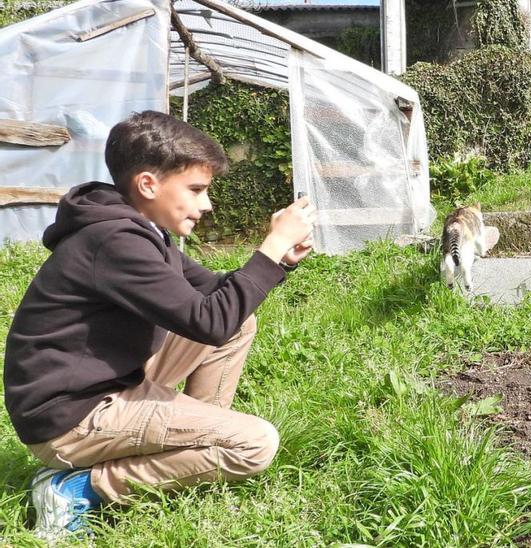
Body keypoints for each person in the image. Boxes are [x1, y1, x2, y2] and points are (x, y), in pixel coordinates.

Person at [3, 111, 316, 540]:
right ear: (148, 184)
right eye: (196, 190)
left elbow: (216, 298)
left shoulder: (136, 230)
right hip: (70, 417)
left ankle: (196, 444)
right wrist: (271, 245)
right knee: (254, 444)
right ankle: (75, 489)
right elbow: (209, 320)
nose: (207, 204)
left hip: (105, 383)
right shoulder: (115, 241)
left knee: (239, 323)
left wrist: (278, 260)